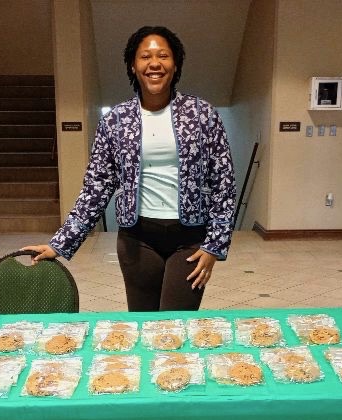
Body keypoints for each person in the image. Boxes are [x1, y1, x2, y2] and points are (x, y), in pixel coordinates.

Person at [22, 25, 236, 311]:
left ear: (176, 65)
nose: (155, 63)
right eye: (145, 57)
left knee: (175, 326)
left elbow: (224, 182)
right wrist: (59, 244)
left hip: (190, 242)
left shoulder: (202, 114)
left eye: (163, 56)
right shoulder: (116, 120)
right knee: (143, 326)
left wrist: (214, 246)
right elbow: (97, 187)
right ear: (133, 66)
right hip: (137, 239)